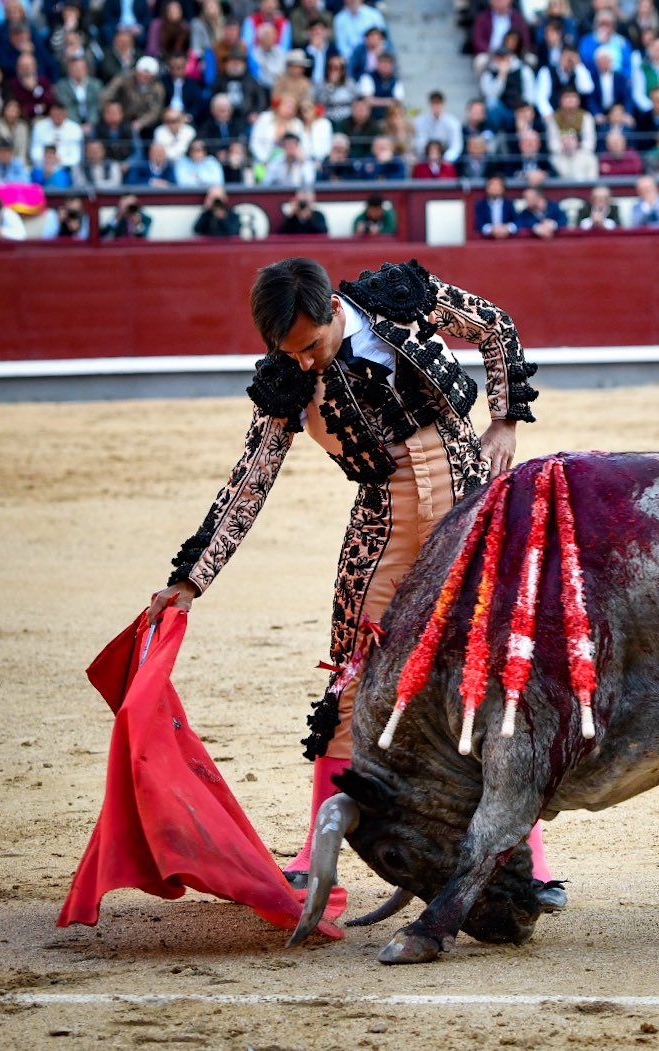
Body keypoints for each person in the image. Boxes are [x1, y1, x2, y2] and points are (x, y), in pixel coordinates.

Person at [144, 257, 564, 908]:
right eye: (292, 352)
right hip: (384, 533)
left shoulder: (400, 300)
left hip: (471, 517)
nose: (306, 363)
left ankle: (522, 861)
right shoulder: (287, 378)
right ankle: (317, 854)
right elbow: (250, 481)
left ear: (335, 311)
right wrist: (189, 579)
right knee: (350, 683)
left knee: (494, 684)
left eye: (312, 345)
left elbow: (493, 325)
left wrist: (506, 418)